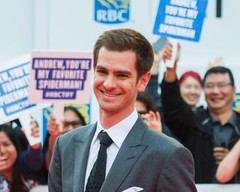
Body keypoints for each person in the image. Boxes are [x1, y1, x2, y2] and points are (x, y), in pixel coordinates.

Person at [48, 28, 196, 191]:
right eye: (102, 72)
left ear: (143, 81)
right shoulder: (66, 145)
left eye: (121, 75)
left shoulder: (168, 155)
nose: (109, 84)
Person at [161, 43, 240, 183]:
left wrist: (234, 161)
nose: (215, 91)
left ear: (234, 90)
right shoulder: (193, 122)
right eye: (209, 86)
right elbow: (173, 107)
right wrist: (171, 69)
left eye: (222, 85)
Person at [0, 120, 44, 191]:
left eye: (6, 144)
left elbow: (35, 157)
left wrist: (35, 143)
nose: (2, 151)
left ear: (15, 145)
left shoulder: (26, 161)